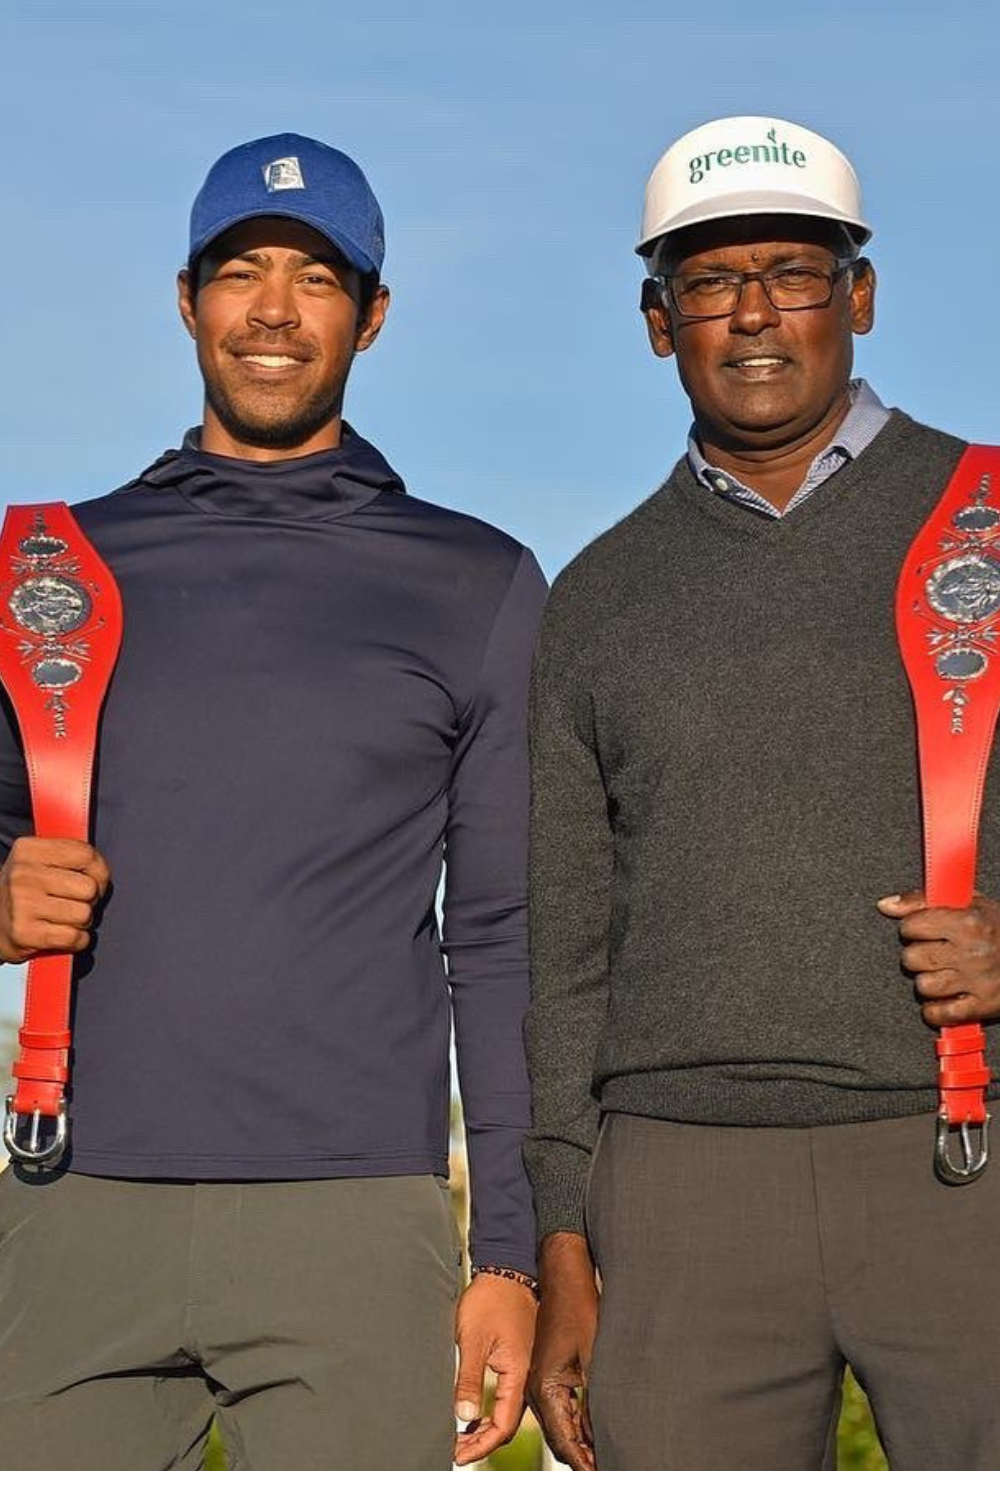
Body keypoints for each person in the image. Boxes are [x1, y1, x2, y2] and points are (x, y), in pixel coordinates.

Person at [0, 132, 545, 1471]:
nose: (274, 307)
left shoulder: (475, 584)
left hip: (355, 1214)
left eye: (316, 277)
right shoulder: (45, 568)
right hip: (76, 1198)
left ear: (373, 314)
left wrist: (513, 1251)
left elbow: (502, 939)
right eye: (240, 270)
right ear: (187, 301)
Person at [523, 115, 1000, 1471]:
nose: (751, 316)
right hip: (678, 1193)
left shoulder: (989, 515)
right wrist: (566, 1238)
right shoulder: (597, 596)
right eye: (708, 282)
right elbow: (564, 953)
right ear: (654, 320)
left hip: (964, 1153)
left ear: (859, 295)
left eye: (791, 273)